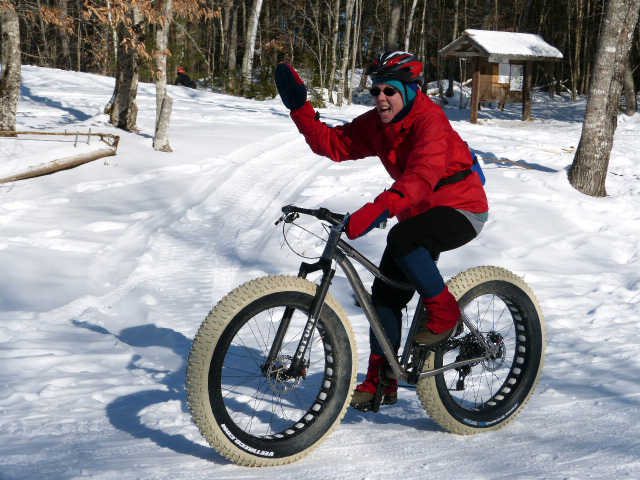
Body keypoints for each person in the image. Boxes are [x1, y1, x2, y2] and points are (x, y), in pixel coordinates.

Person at [274, 51, 488, 410]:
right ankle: (382, 381)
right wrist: (300, 110)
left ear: (409, 90)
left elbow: (421, 176)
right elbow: (336, 144)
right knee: (385, 295)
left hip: (461, 209)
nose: (380, 98)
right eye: (375, 91)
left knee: (402, 239)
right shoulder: (377, 123)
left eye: (389, 90)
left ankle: (444, 313)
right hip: (415, 213)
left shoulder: (430, 122)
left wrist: (380, 208)